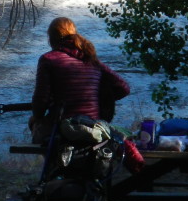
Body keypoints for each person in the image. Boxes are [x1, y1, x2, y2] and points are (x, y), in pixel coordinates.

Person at [28, 16, 130, 144]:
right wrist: (100, 98)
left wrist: (37, 117)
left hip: (62, 126)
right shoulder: (91, 60)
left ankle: (53, 162)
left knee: (33, 122)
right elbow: (123, 87)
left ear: (51, 38)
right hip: (93, 125)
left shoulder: (48, 59)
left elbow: (40, 101)